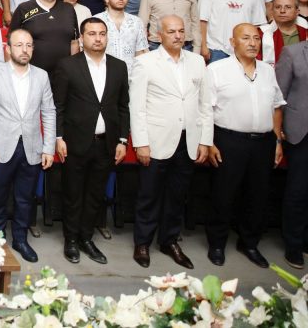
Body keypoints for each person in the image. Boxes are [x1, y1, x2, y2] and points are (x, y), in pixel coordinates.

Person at [128, 15, 210, 269]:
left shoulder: (197, 62)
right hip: (156, 140)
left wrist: (205, 140)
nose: (177, 35)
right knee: (149, 195)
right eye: (171, 31)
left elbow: (205, 105)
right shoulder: (145, 63)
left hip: (188, 140)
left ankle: (169, 240)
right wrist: (141, 142)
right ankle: (142, 242)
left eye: (181, 31)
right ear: (158, 35)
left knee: (177, 195)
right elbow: (137, 107)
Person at [203, 23, 284, 269]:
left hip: (263, 142)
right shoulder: (217, 69)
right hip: (229, 140)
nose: (252, 43)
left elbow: (277, 106)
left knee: (258, 195)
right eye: (246, 38)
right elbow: (205, 109)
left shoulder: (267, 71)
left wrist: (277, 140)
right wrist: (209, 142)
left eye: (256, 39)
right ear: (232, 42)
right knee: (223, 194)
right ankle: (217, 244)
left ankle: (249, 243)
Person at [53, 18, 129, 265]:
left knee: (95, 194)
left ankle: (86, 238)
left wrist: (122, 140)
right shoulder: (67, 66)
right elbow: (59, 105)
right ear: (82, 38)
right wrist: (58, 137)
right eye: (92, 33)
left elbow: (123, 106)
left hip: (106, 144)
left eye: (102, 34)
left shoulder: (119, 67)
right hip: (75, 142)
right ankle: (71, 240)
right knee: (73, 194)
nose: (98, 38)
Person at [0, 28, 55, 262]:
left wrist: (48, 148)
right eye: (19, 45)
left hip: (32, 147)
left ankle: (20, 239)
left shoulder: (41, 76)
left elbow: (49, 112)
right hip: (1, 147)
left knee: (25, 198)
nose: (24, 50)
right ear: (8, 48)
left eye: (29, 45)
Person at [9, 0, 80, 77]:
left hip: (64, 74)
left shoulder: (68, 9)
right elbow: (11, 44)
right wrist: (13, 73)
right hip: (31, 74)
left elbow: (74, 42)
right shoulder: (24, 8)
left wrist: (73, 70)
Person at [276, 37, 308, 267]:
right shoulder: (292, 53)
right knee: (298, 190)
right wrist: (278, 132)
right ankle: (293, 245)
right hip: (301, 131)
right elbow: (278, 95)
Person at [198, 0, 267, 62]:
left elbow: (257, 25)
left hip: (244, 49)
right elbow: (202, 22)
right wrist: (203, 47)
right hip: (216, 50)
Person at [95, 0, 148, 79]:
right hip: (103, 76)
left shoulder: (136, 22)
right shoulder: (96, 21)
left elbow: (141, 52)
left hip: (131, 77)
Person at [260, 0, 307, 66]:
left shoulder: (306, 33)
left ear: (297, 12)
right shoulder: (261, 34)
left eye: (288, 7)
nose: (282, 11)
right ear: (272, 11)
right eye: (278, 7)